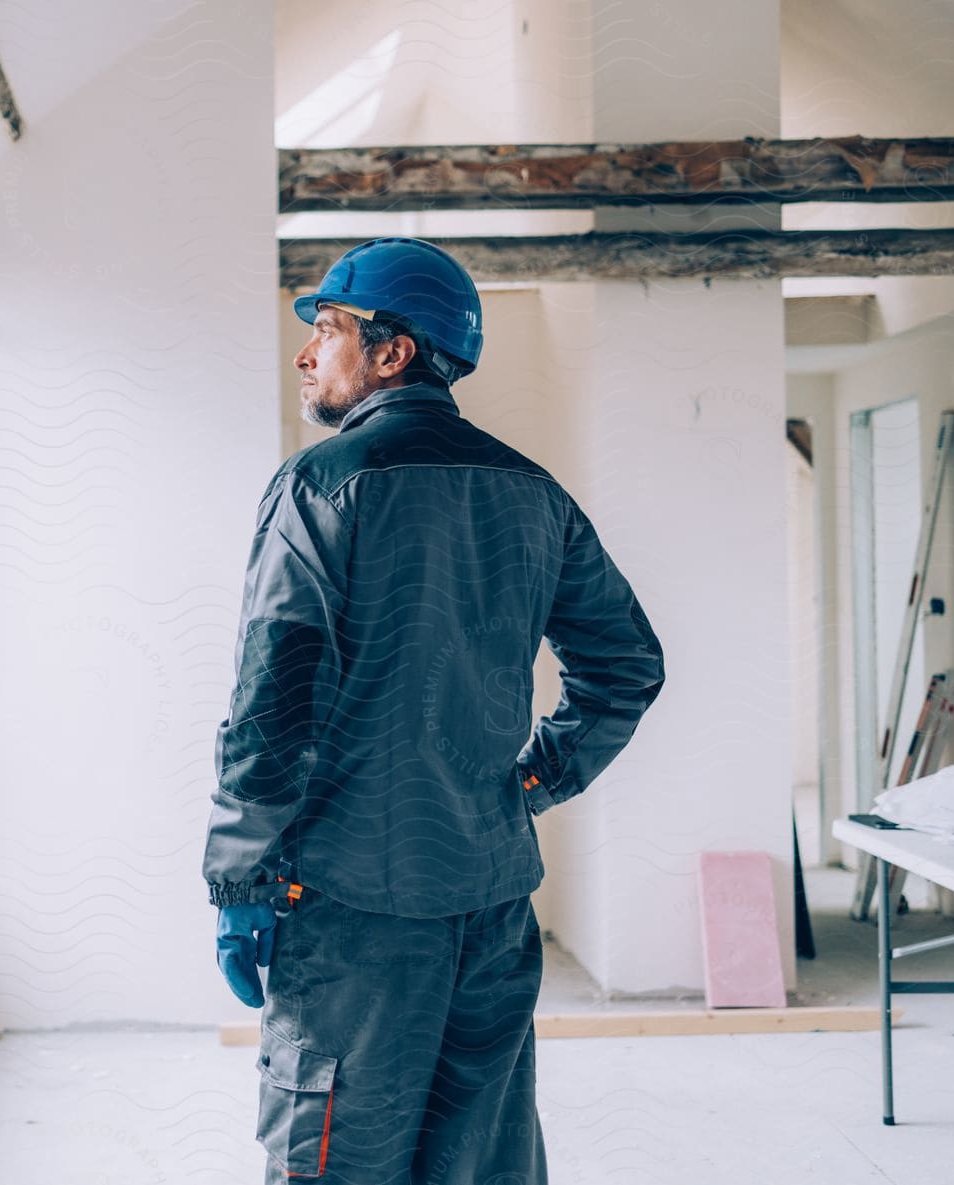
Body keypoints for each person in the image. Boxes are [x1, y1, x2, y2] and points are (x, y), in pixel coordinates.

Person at [202, 237, 666, 1184]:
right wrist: (529, 781)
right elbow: (627, 665)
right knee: (482, 1163)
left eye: (327, 329)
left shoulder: (320, 487)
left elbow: (273, 705)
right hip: (490, 902)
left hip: (350, 912)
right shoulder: (536, 495)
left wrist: (239, 883)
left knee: (337, 1163)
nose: (305, 352)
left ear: (391, 352)